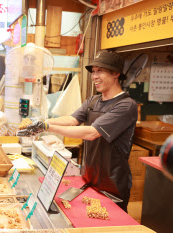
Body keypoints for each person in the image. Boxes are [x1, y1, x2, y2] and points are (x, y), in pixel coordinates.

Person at [29, 50, 138, 212]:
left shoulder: (125, 105)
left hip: (112, 185)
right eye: (93, 72)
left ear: (116, 73)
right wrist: (42, 121)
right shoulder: (93, 101)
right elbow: (72, 120)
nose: (94, 76)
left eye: (100, 71)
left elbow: (91, 133)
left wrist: (46, 127)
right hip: (89, 178)